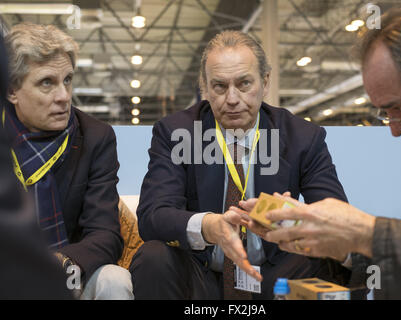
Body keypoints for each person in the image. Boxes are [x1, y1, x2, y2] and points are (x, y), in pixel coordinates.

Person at [130, 30, 351, 300]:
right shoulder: (176, 133)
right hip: (202, 276)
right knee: (154, 255)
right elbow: (153, 216)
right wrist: (210, 226)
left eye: (244, 84)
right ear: (205, 87)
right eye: (220, 86)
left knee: (336, 258)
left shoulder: (303, 138)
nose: (232, 99)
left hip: (274, 276)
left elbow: (337, 217)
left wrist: (292, 218)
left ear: (265, 81)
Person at [250, 7, 401, 299]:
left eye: (398, 108)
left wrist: (368, 233)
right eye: (385, 113)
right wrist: (340, 246)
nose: (395, 130)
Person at [2, 23, 133, 299]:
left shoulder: (96, 137)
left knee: (115, 279)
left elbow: (105, 235)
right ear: (12, 91)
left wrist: (57, 264)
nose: (63, 96)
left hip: (69, 273)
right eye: (46, 82)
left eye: (67, 80)